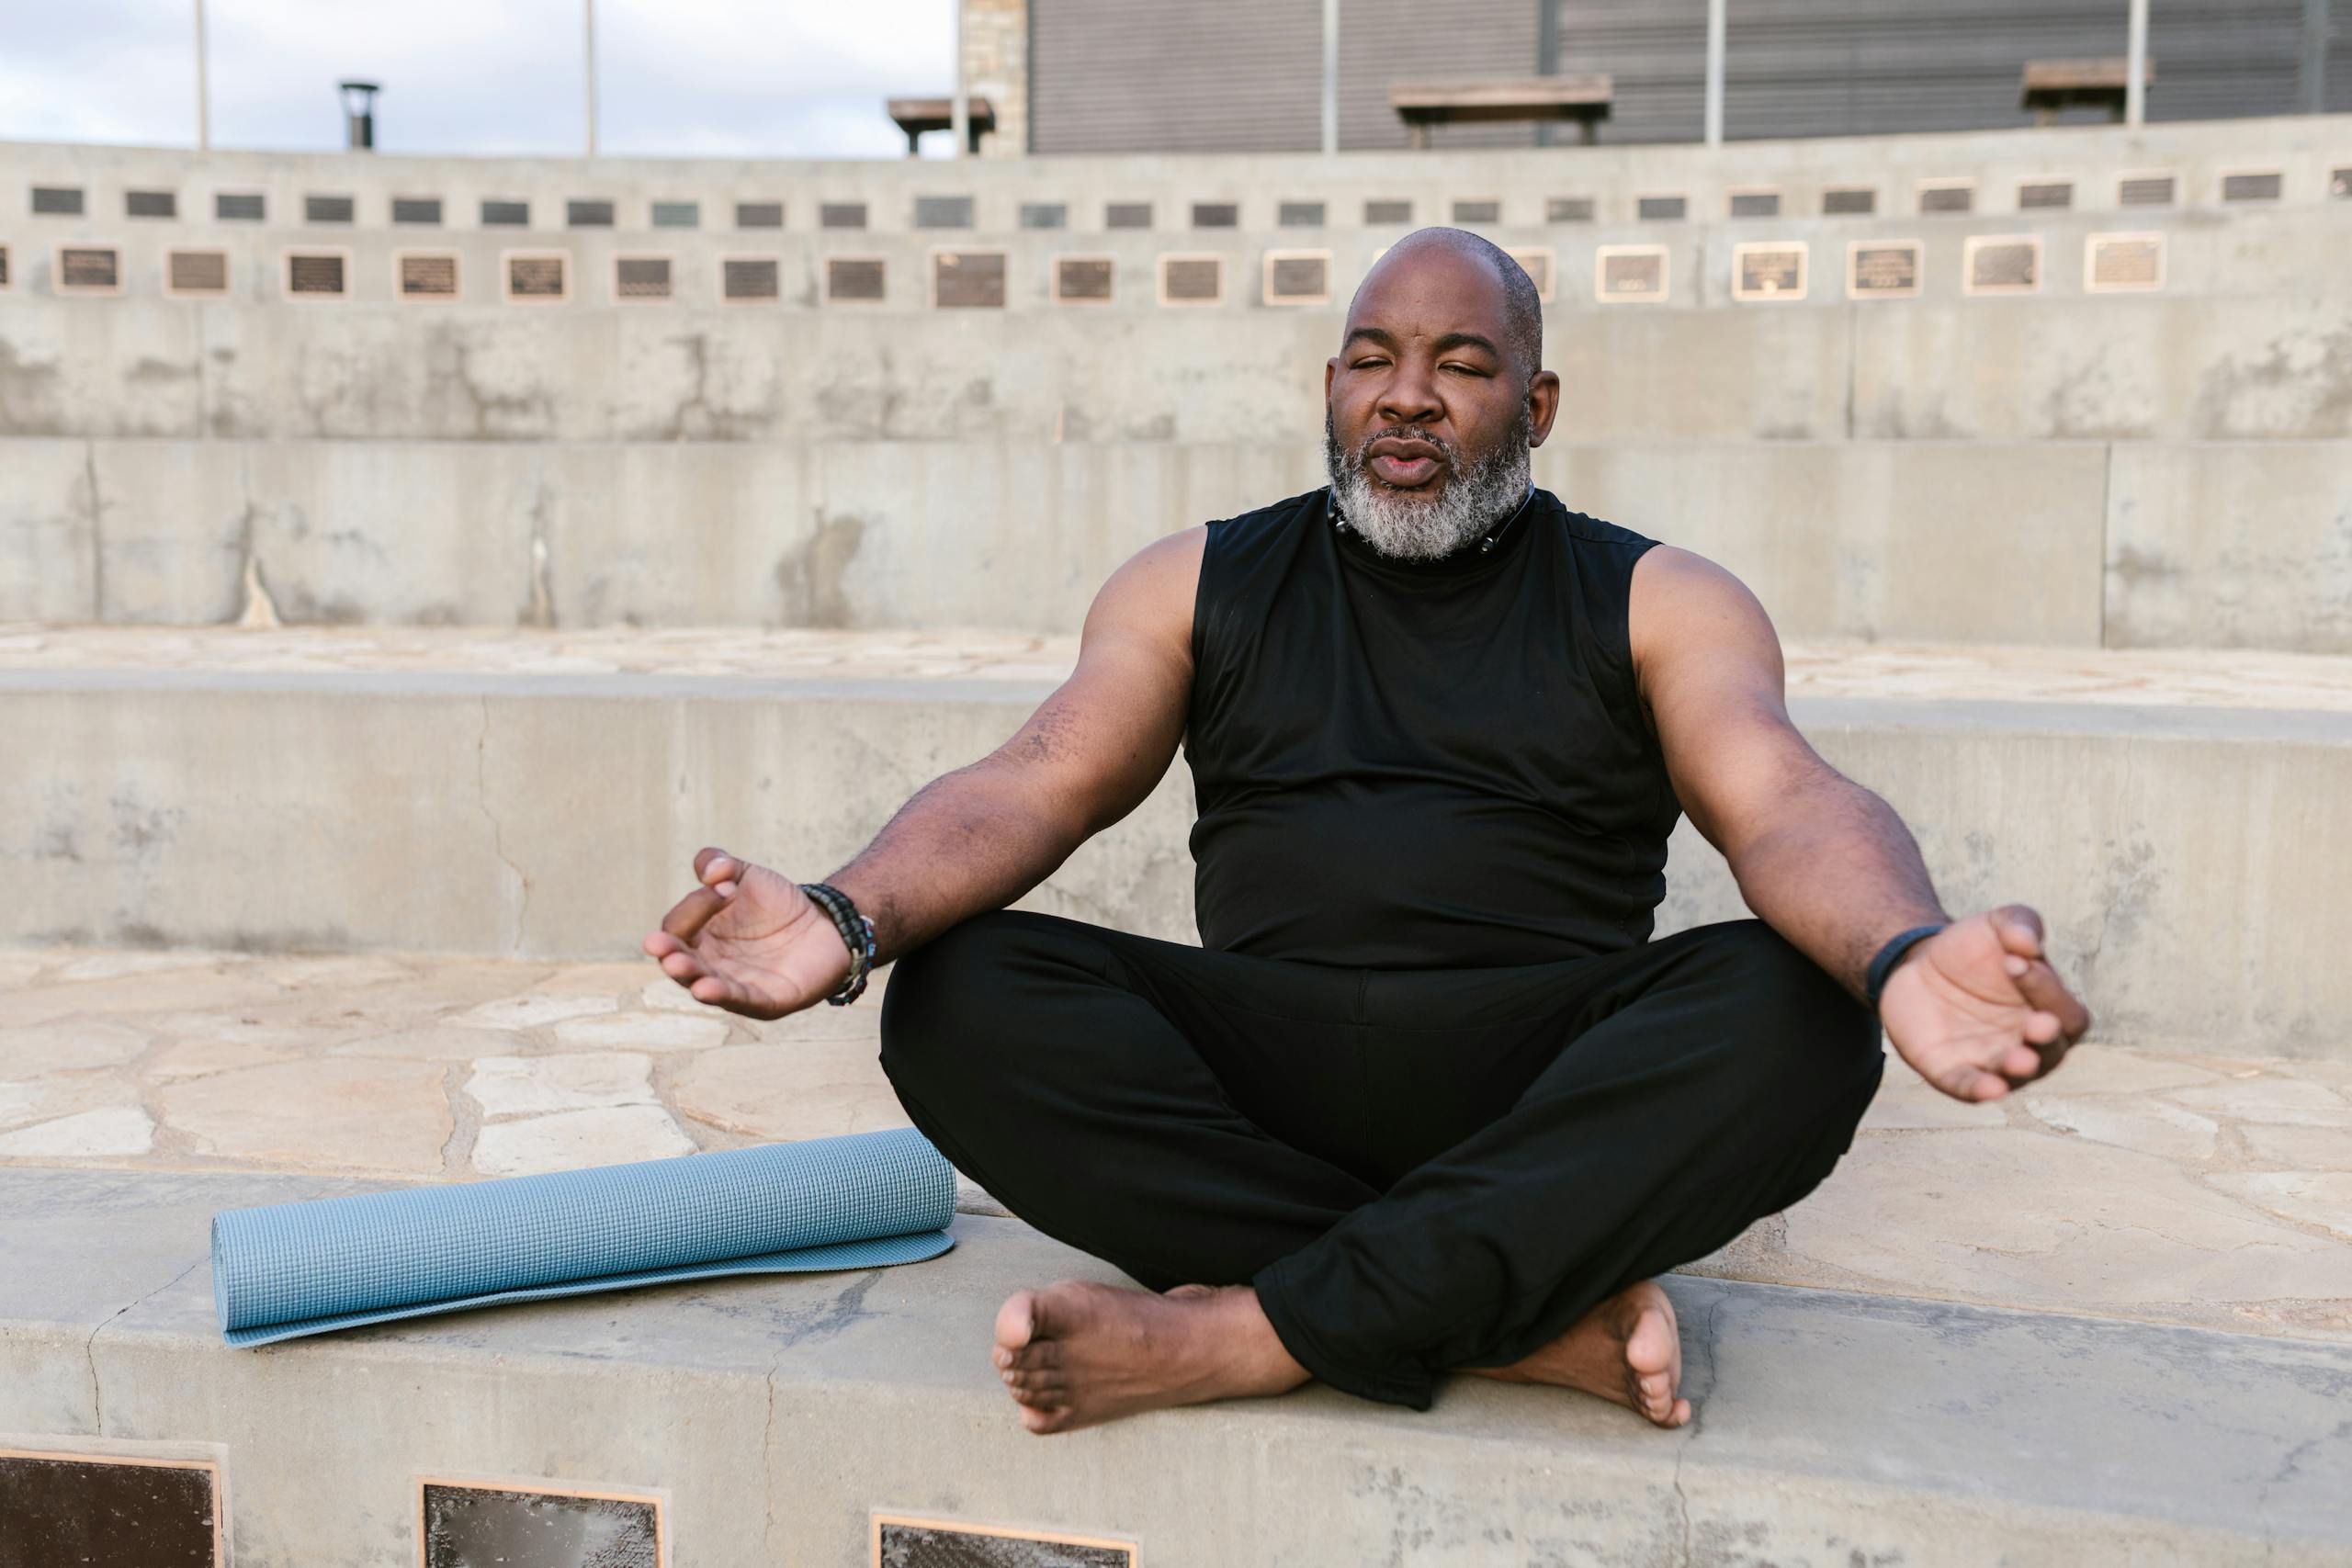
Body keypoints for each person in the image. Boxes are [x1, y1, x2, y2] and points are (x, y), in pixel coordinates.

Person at [645, 227, 2091, 1437]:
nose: (1410, 396)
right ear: (1328, 384)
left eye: (1464, 366)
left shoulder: (1660, 596)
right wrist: (845, 918)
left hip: (1540, 1075)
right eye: (1373, 359)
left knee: (1797, 1006)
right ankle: (1509, 1323)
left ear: (1536, 406)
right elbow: (1037, 778)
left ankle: (1250, 1332)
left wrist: (1897, 952)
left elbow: (1783, 797)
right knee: (961, 993)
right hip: (1269, 1057)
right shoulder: (1195, 579)